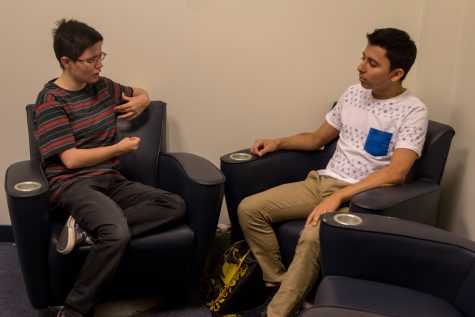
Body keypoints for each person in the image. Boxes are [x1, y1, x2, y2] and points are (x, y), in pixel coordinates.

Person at [238, 28, 428, 317]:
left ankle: (275, 314)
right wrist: (277, 141)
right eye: (363, 58)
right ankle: (280, 287)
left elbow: (397, 172)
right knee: (250, 209)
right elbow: (316, 139)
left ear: (396, 73)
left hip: (362, 196)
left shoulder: (412, 111)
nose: (360, 67)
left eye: (372, 63)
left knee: (313, 236)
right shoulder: (354, 93)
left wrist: (339, 197)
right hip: (322, 181)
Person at [34, 19, 186, 317]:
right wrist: (118, 149)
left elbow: (139, 91)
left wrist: (143, 99)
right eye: (91, 60)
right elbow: (71, 160)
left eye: (101, 56)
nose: (99, 66)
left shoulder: (103, 86)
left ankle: (85, 230)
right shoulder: (51, 101)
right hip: (73, 184)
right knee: (116, 233)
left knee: (173, 204)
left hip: (110, 179)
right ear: (66, 62)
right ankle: (75, 309)